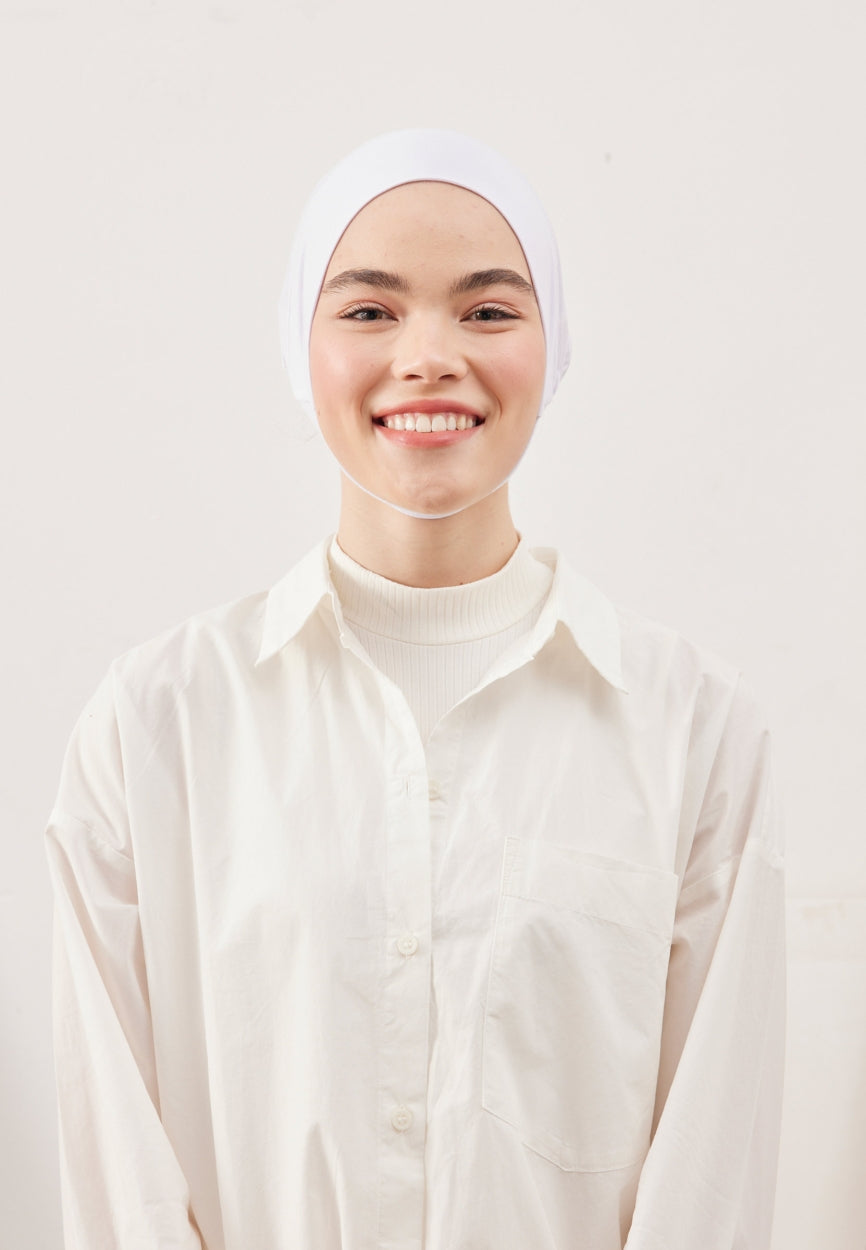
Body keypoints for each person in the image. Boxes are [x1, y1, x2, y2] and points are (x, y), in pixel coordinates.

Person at [45, 129, 786, 1250]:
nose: (429, 354)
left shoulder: (695, 731)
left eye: (487, 310)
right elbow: (116, 1173)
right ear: (301, 350)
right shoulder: (156, 726)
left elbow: (710, 1178)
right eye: (368, 310)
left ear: (554, 345)